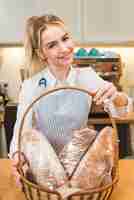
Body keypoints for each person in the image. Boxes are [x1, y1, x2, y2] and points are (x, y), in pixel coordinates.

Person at [10, 14, 131, 188]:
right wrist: (18, 157)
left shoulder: (86, 77)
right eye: (52, 45)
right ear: (41, 53)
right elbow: (21, 133)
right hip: (44, 171)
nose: (64, 48)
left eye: (65, 39)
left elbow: (122, 112)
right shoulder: (32, 86)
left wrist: (116, 95)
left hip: (81, 167)